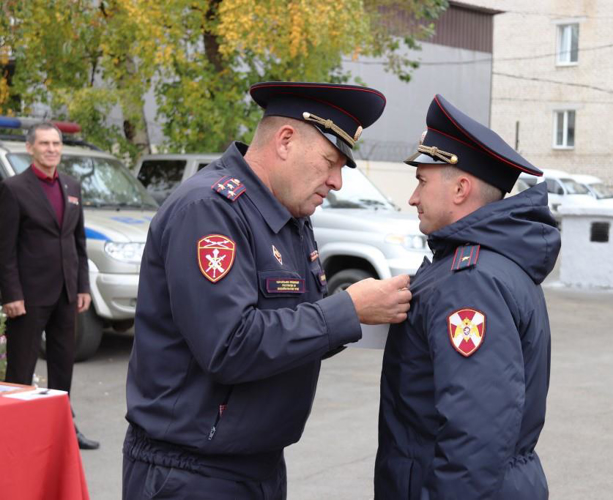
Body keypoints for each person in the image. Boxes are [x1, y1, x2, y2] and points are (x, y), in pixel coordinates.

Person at [123, 81, 412, 499]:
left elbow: (293, 328)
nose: (337, 182)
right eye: (330, 161)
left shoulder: (288, 215)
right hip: (192, 472)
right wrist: (347, 309)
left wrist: (365, 313)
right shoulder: (211, 209)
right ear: (285, 140)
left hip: (254, 464)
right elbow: (228, 346)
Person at [374, 95, 561, 499]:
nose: (413, 197)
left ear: (461, 188)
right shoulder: (481, 265)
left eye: (422, 181)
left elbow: (476, 434)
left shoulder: (470, 282)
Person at [0, 122, 100, 450]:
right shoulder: (14, 188)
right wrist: (11, 294)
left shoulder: (71, 186)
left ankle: (63, 430)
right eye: (44, 143)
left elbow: (78, 239)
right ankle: (14, 432)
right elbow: (5, 248)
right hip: (28, 296)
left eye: (56, 143)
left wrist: (83, 286)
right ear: (30, 148)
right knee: (21, 366)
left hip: (67, 293)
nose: (51, 149)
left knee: (62, 364)